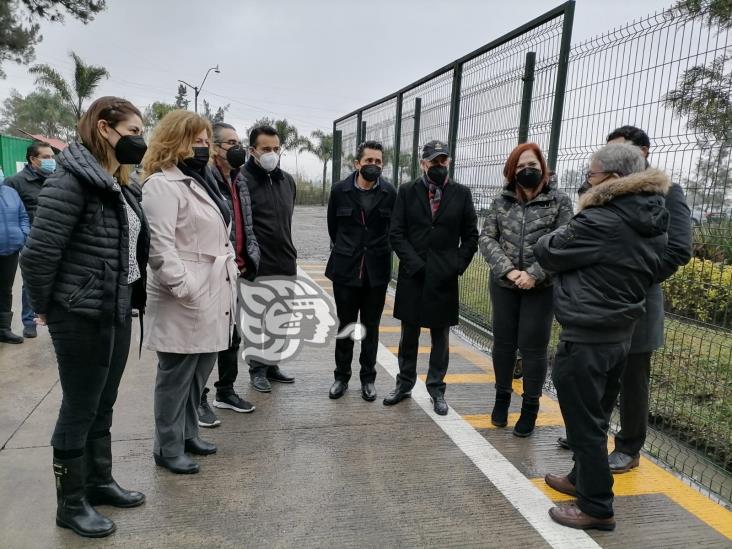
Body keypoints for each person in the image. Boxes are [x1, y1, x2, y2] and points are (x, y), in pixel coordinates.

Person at [20, 97, 149, 538]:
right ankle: (70, 503)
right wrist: (50, 307)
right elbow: (37, 255)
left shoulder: (119, 182)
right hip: (80, 313)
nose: (140, 140)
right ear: (104, 128)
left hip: (115, 308)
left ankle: (98, 481)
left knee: (103, 402)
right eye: (133, 131)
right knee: (79, 407)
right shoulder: (71, 182)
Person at [534, 143, 669, 531]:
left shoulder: (601, 220)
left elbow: (550, 250)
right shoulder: (650, 216)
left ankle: (596, 505)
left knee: (584, 423)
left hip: (588, 333)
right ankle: (581, 478)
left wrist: (569, 228)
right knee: (597, 413)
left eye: (591, 174)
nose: (587, 180)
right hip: (619, 333)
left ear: (611, 178)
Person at [557, 126, 692, 474]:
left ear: (643, 153)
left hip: (639, 301)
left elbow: (678, 249)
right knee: (596, 376)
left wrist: (631, 274)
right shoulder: (599, 193)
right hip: (597, 299)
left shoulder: (667, 193)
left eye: (621, 151)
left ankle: (629, 447)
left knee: (632, 378)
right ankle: (588, 438)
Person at [142, 110, 238, 475]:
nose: (203, 148)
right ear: (174, 141)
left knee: (199, 370)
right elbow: (160, 248)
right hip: (185, 293)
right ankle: (166, 447)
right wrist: (186, 287)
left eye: (204, 141)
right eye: (195, 141)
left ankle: (188, 433)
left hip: (213, 287)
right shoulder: (161, 186)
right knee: (176, 375)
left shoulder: (202, 180)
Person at [479, 143, 573, 436]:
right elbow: (487, 238)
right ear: (511, 171)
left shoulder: (559, 201)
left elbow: (565, 242)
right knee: (504, 344)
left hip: (540, 287)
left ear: (542, 166)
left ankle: (530, 408)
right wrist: (508, 270)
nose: (526, 170)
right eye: (520, 167)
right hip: (504, 284)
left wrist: (534, 274)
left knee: (533, 349)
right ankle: (501, 399)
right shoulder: (501, 201)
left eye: (531, 165)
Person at [385, 140, 479, 415]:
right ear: (422, 163)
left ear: (448, 162)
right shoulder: (407, 191)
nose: (438, 166)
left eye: (443, 161)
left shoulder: (461, 194)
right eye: (433, 161)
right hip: (414, 276)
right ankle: (404, 384)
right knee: (409, 335)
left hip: (444, 277)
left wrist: (456, 265)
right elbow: (396, 233)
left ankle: (436, 389)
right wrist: (415, 264)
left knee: (441, 337)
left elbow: (471, 236)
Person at [197, 122, 260, 428]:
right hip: (211, 272)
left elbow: (245, 223)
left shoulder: (239, 179)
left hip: (236, 268)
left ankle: (226, 390)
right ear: (214, 148)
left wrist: (251, 255)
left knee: (232, 335)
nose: (237, 148)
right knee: (207, 339)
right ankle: (197, 398)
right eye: (230, 142)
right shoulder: (202, 178)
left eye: (239, 142)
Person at [326, 140, 397, 401]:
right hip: (345, 270)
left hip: (376, 272)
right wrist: (349, 249)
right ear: (357, 164)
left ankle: (368, 379)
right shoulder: (339, 191)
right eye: (369, 161)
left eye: (378, 162)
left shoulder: (390, 192)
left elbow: (393, 229)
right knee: (346, 325)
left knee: (371, 327)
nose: (374, 165)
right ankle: (340, 377)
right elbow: (333, 227)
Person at [237, 125, 297, 392]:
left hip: (285, 260)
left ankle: (272, 364)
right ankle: (257, 369)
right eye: (265, 149)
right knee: (256, 320)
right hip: (256, 263)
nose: (272, 153)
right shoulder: (241, 180)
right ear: (252, 150)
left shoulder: (287, 181)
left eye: (276, 148)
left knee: (279, 319)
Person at [6, 141, 56, 338]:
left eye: (52, 157)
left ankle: (53, 318)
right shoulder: (15, 182)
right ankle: (29, 322)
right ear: (33, 159)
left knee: (58, 278)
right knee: (32, 281)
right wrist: (23, 233)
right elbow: (8, 211)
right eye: (46, 157)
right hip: (31, 240)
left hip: (56, 237)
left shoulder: (56, 179)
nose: (51, 161)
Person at [0, 173, 30, 343]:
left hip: (10, 250)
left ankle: (3, 330)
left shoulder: (10, 192)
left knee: (5, 291)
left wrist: (22, 234)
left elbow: (23, 216)